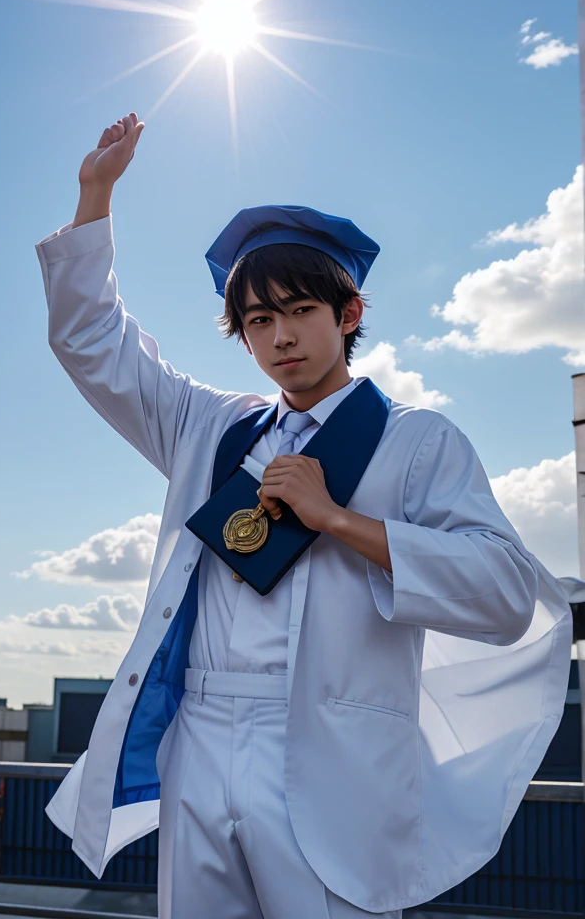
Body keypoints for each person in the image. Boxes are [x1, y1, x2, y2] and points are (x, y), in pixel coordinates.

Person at [35, 112, 579, 919]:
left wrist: (340, 521)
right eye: (258, 321)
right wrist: (96, 194)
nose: (280, 337)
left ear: (349, 315)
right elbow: (93, 342)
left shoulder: (417, 443)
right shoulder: (214, 428)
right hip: (203, 735)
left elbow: (504, 591)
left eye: (298, 312)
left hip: (330, 755)